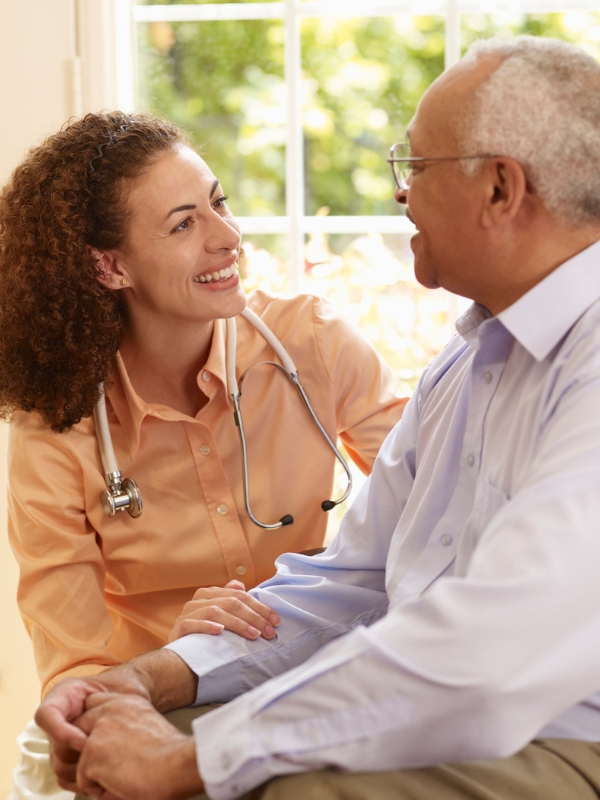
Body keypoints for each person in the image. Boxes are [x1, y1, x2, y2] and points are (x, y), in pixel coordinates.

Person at [37, 34, 600, 800]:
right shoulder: (471, 362)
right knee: (111, 760)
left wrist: (196, 760)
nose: (401, 193)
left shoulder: (585, 365)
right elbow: (350, 584)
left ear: (500, 190)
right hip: (426, 695)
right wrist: (136, 685)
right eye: (182, 223)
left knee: (271, 786)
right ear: (111, 266)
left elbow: (487, 656)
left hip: (552, 727)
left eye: (416, 166)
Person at [0, 112, 406, 798]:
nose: (229, 237)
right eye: (184, 224)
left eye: (218, 204)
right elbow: (76, 669)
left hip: (310, 679)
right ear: (110, 264)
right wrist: (174, 660)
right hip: (153, 707)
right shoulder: (57, 429)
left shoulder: (313, 343)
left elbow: (435, 500)